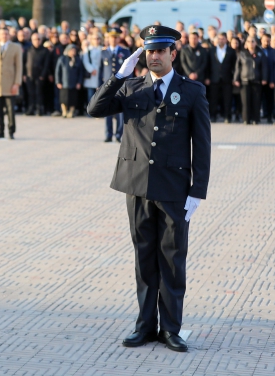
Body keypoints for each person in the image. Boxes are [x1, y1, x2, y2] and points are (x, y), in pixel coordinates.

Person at [88, 25, 211, 353]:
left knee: (172, 260)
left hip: (173, 189)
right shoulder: (131, 87)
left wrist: (198, 190)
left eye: (160, 51)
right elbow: (94, 109)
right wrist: (118, 76)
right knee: (144, 258)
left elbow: (202, 144)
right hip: (137, 186)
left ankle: (171, 329)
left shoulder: (192, 92)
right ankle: (144, 326)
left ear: (173, 54)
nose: (153, 57)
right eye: (148, 51)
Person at [0, 27, 22, 139]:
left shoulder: (16, 47)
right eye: (2, 34)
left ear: (9, 35)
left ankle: (11, 131)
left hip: (10, 84)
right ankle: (0, 131)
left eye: (6, 34)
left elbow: (19, 66)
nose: (4, 36)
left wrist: (17, 83)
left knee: (10, 110)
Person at [99, 28, 129, 142]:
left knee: (120, 111)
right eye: (111, 37)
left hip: (121, 85)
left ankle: (118, 134)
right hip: (107, 86)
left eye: (116, 37)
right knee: (107, 110)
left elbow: (129, 70)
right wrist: (99, 85)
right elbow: (100, 70)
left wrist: (128, 84)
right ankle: (108, 134)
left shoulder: (124, 52)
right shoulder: (104, 52)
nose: (113, 39)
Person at [234, 36, 268, 125]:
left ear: (256, 43)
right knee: (245, 101)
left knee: (256, 101)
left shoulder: (260, 53)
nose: (251, 43)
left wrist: (264, 78)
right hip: (244, 80)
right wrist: (236, 79)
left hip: (257, 80)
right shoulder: (242, 53)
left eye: (252, 41)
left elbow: (264, 67)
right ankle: (246, 119)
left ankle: (256, 119)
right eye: (248, 41)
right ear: (246, 43)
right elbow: (238, 67)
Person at [205, 32, 236, 123]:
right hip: (214, 79)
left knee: (227, 99)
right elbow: (208, 65)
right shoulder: (212, 50)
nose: (221, 40)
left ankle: (227, 116)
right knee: (213, 99)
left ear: (226, 39)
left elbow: (234, 66)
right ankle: (213, 116)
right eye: (219, 38)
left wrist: (234, 78)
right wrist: (207, 77)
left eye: (222, 38)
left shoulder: (231, 51)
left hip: (227, 79)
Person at [24, 32, 50, 115]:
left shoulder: (45, 51)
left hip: (40, 76)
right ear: (32, 40)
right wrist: (24, 74)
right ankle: (31, 109)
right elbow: (24, 63)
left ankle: (39, 109)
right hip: (29, 75)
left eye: (39, 39)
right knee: (30, 93)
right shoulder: (28, 50)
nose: (37, 41)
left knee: (39, 93)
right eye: (35, 39)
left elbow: (47, 64)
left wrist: (43, 75)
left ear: (41, 40)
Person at [55, 44, 83, 118]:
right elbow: (58, 71)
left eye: (74, 50)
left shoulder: (77, 60)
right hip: (64, 83)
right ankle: (64, 112)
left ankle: (71, 112)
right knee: (63, 99)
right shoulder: (62, 59)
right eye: (71, 50)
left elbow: (80, 72)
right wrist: (58, 82)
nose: (73, 52)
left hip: (74, 83)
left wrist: (79, 82)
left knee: (73, 99)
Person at [260, 34, 275, 123]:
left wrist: (272, 80)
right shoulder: (258, 51)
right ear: (261, 40)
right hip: (259, 81)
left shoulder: (273, 52)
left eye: (268, 40)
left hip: (269, 81)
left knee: (270, 100)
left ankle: (270, 116)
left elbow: (274, 67)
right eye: (264, 40)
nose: (266, 42)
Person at [82, 33, 103, 109]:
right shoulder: (88, 49)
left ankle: (98, 110)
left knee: (100, 94)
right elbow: (85, 61)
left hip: (100, 73)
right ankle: (90, 110)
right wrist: (91, 70)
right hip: (91, 74)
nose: (96, 40)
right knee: (90, 94)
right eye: (94, 39)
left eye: (98, 39)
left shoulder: (102, 49)